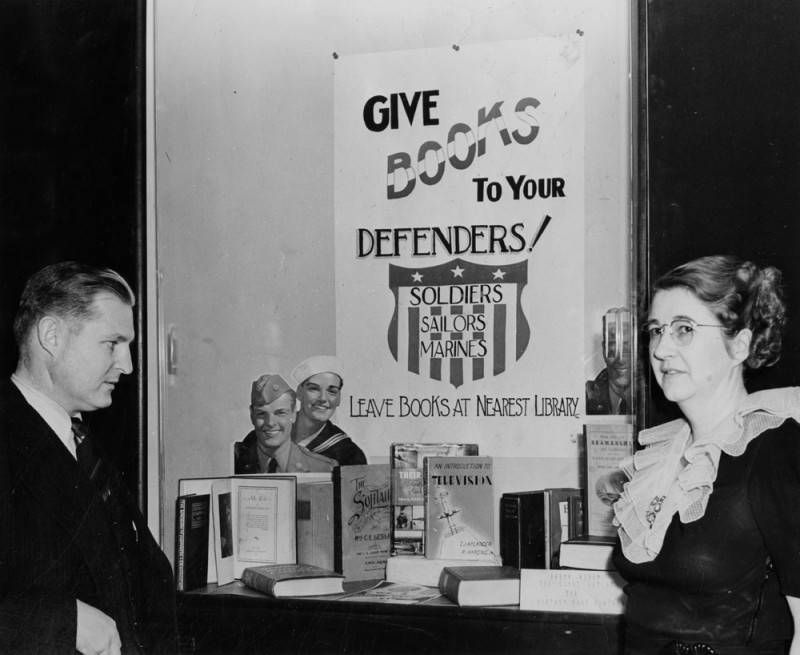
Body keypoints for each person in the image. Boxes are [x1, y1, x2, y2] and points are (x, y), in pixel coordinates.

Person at [612, 255, 800, 654]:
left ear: (740, 345)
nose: (661, 349)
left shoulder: (775, 450)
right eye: (655, 330)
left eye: (684, 330)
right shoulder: (660, 453)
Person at [0, 261, 177, 654]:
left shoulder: (85, 444)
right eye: (112, 343)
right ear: (51, 336)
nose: (128, 365)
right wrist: (59, 622)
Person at [234, 373, 337, 474]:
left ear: (293, 414)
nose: (270, 422)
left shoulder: (323, 469)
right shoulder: (234, 462)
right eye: (261, 414)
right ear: (252, 415)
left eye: (280, 413)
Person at [289, 355, 367, 465]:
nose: (323, 398)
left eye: (332, 391)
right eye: (314, 389)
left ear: (339, 398)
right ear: (299, 393)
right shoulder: (269, 434)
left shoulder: (349, 454)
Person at [586, 307, 633, 414]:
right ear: (603, 349)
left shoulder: (656, 400)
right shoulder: (586, 398)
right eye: (613, 349)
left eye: (627, 350)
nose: (620, 360)